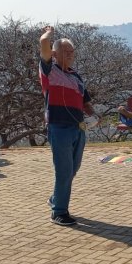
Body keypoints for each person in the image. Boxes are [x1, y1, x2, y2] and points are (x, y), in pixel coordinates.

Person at [39, 26, 95, 226]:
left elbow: (85, 101)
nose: (70, 55)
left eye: (72, 52)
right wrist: (47, 34)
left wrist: (93, 115)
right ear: (55, 54)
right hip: (58, 126)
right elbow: (44, 45)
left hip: (78, 127)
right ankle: (59, 212)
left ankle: (56, 198)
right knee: (63, 170)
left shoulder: (76, 76)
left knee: (73, 168)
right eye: (65, 51)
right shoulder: (49, 70)